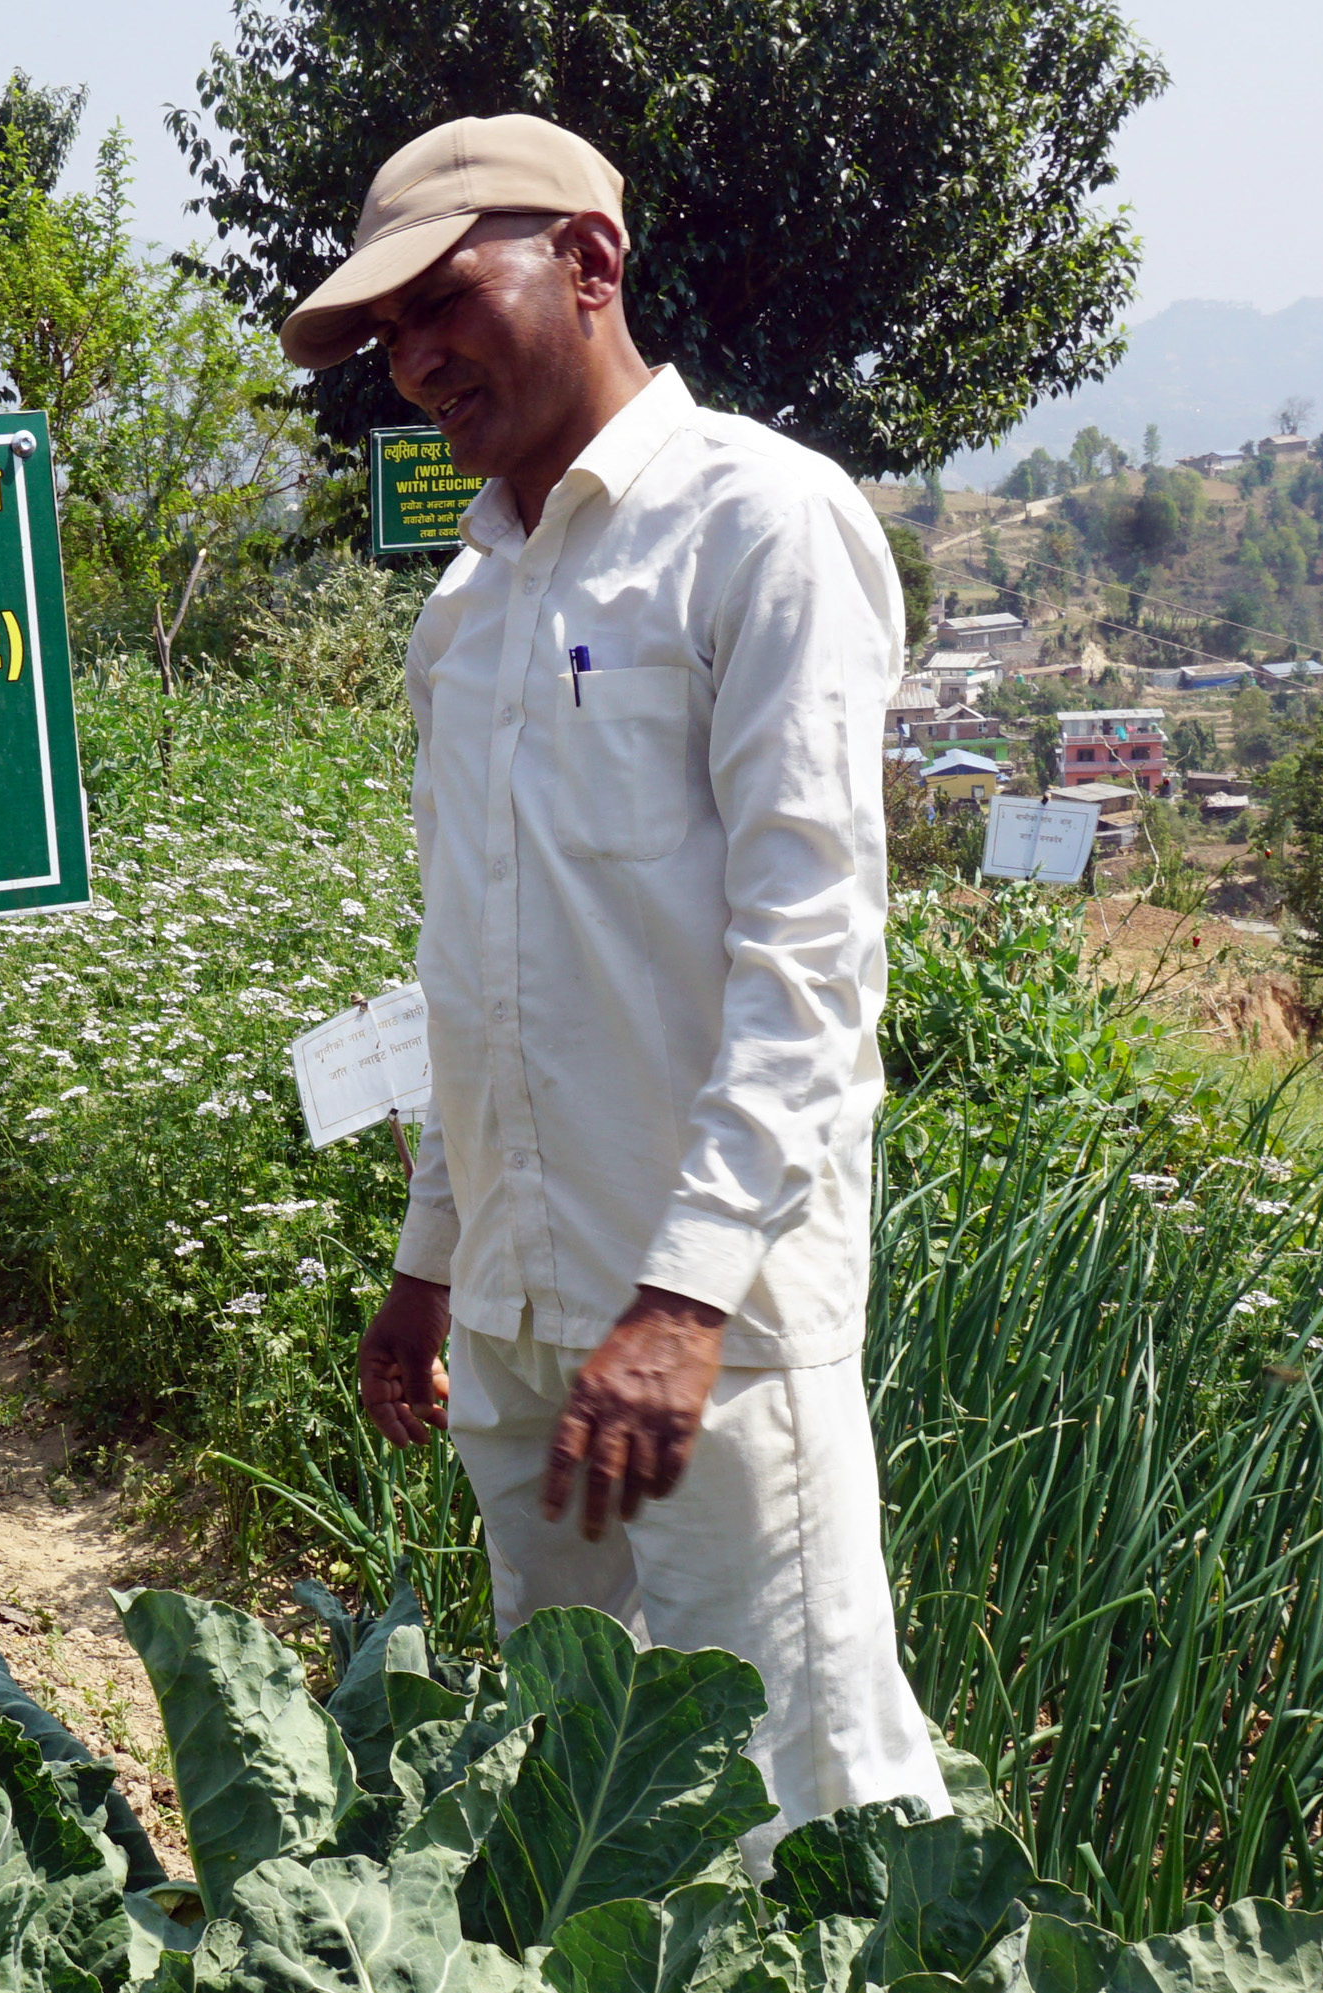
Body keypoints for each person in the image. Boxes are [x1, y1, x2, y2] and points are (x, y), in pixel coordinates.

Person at [286, 113, 954, 1857]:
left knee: (802, 1803)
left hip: (706, 1346)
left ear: (591, 263)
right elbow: (474, 973)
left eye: (444, 299)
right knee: (593, 1806)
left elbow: (810, 959)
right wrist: (433, 1267)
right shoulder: (471, 600)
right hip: (519, 1328)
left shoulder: (760, 526)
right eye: (384, 336)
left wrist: (682, 1300)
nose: (416, 359)